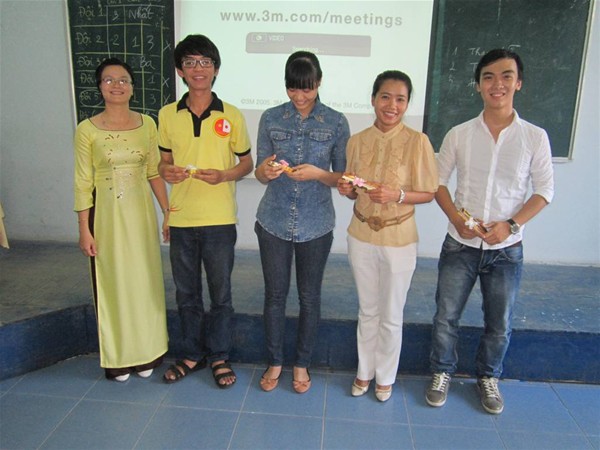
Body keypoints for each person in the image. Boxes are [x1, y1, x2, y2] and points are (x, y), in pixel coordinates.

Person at [426, 49, 555, 414]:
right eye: (488, 77)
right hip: (460, 245)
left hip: (507, 249)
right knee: (445, 317)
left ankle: (488, 377)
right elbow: (437, 183)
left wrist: (511, 225)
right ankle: (441, 372)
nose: (497, 84)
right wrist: (456, 219)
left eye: (505, 76)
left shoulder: (534, 137)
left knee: (499, 323)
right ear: (478, 85)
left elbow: (545, 191)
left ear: (518, 83)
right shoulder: (460, 134)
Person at [337, 70, 438, 402]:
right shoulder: (357, 141)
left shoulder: (418, 142)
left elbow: (429, 192)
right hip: (361, 234)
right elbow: (354, 189)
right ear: (373, 99)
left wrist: (397, 195)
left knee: (392, 313)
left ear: (407, 104)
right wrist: (347, 190)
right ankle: (364, 371)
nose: (391, 105)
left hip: (399, 238)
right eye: (385, 97)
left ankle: (385, 377)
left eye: (400, 99)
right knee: (368, 309)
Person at [158, 35, 253, 388]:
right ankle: (191, 354)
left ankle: (219, 355)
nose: (198, 69)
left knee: (220, 294)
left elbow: (246, 163)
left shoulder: (232, 114)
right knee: (186, 294)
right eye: (190, 62)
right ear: (180, 71)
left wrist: (225, 175)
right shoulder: (167, 114)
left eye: (205, 62)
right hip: (182, 217)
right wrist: (166, 172)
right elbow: (163, 162)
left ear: (216, 69)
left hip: (219, 219)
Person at [254, 51, 350, 394]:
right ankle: (275, 361)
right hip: (273, 219)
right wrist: (265, 172)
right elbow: (259, 171)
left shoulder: (336, 122)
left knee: (309, 297)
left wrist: (318, 174)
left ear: (319, 83)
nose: (299, 96)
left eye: (307, 88)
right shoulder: (270, 117)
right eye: (293, 88)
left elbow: (343, 177)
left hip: (316, 223)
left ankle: (301, 364)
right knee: (275, 296)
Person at [73, 58, 169, 382]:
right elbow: (82, 182)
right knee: (114, 283)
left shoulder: (148, 124)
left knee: (144, 282)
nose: (117, 85)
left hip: (141, 217)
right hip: (107, 219)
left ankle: (147, 352)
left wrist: (167, 212)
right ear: (99, 87)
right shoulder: (87, 130)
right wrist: (84, 229)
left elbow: (154, 172)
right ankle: (119, 358)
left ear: (132, 87)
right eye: (109, 80)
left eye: (123, 80)